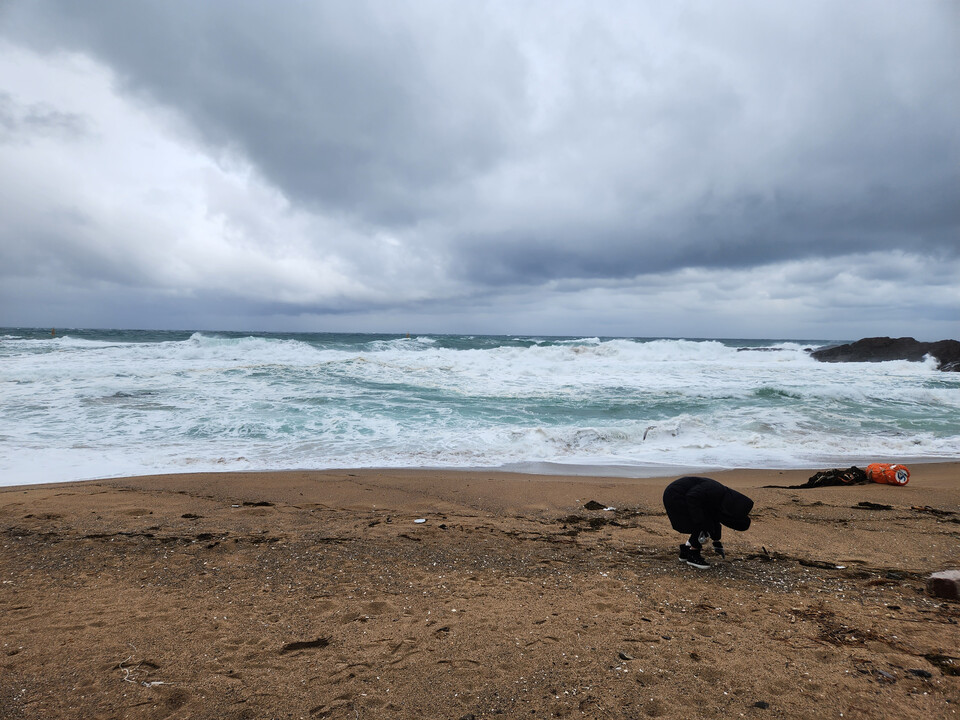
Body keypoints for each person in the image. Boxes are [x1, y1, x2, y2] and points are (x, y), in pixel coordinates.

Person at [662, 476, 754, 569]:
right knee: (703, 521)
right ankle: (693, 554)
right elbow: (692, 496)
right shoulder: (715, 490)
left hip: (679, 494)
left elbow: (715, 519)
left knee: (705, 520)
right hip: (675, 495)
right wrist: (701, 522)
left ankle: (686, 551)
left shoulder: (722, 498)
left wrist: (716, 542)